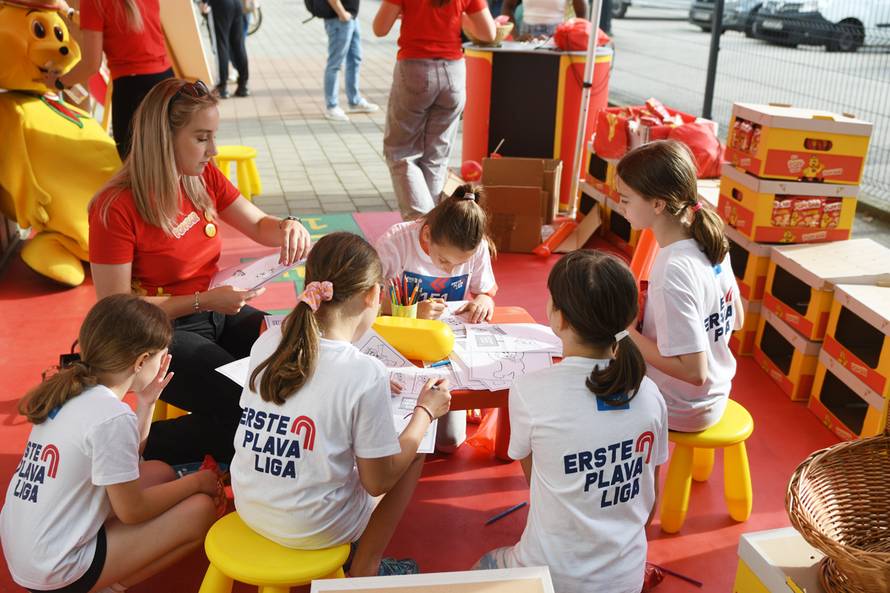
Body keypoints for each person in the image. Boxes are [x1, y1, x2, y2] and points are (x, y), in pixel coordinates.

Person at [88, 78, 312, 465]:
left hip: (216, 311)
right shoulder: (115, 207)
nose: (214, 150)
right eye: (202, 138)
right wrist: (204, 300)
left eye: (213, 136)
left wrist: (289, 226)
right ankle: (123, 445)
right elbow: (115, 310)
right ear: (164, 138)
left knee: (295, 363)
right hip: (155, 335)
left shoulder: (200, 177)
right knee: (252, 415)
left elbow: (258, 224)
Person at [231, 232, 452, 576]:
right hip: (315, 527)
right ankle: (366, 566)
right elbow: (378, 482)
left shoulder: (269, 340)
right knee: (416, 446)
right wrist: (425, 412)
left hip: (249, 506)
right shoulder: (364, 372)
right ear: (373, 296)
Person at [474, 250, 668, 593]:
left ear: (559, 318)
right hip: (626, 577)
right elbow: (648, 501)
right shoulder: (650, 394)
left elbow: (536, 481)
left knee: (479, 569)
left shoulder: (529, 391)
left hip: (552, 578)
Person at [0, 295, 223, 593]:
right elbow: (133, 510)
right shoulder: (110, 416)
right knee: (200, 510)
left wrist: (146, 403)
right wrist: (197, 482)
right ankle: (105, 586)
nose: (163, 362)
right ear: (141, 361)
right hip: (56, 570)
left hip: (29, 551)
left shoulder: (71, 391)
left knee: (159, 472)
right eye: (162, 356)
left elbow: (124, 463)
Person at [616, 140, 743, 432]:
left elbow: (694, 372)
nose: (620, 206)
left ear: (658, 204)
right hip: (717, 395)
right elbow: (737, 320)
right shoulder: (711, 240)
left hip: (679, 406)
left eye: (625, 200)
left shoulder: (671, 269)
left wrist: (625, 333)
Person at [375, 184, 497, 453]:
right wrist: (409, 312)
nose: (450, 271)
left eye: (458, 265)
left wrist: (483, 300)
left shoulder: (477, 247)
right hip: (398, 348)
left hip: (444, 353)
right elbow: (364, 300)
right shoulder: (396, 242)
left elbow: (486, 290)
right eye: (443, 260)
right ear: (427, 234)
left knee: (449, 443)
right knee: (393, 439)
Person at [373, 0, 495, 220]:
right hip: (453, 73)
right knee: (436, 156)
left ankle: (421, 225)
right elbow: (488, 33)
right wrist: (459, 18)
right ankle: (434, 227)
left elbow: (380, 28)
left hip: (415, 70)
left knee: (402, 153)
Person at [47, 0, 175, 159]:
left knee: (133, 163)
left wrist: (58, 82)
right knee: (165, 159)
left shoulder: (93, 3)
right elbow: (118, 21)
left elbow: (90, 65)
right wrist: (70, 13)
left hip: (133, 89)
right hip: (165, 79)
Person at [318, 0, 380, 121]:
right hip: (339, 18)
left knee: (355, 58)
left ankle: (354, 101)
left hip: (351, 17)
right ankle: (332, 106)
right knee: (335, 64)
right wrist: (341, 13)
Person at [203, 0, 250, 98]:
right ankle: (243, 86)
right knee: (239, 45)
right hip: (237, 4)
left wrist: (204, 2)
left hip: (219, 5)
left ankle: (221, 87)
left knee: (220, 45)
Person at [501, 0, 587, 37]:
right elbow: (507, 7)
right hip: (526, 37)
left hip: (556, 36)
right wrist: (516, 36)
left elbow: (582, 15)